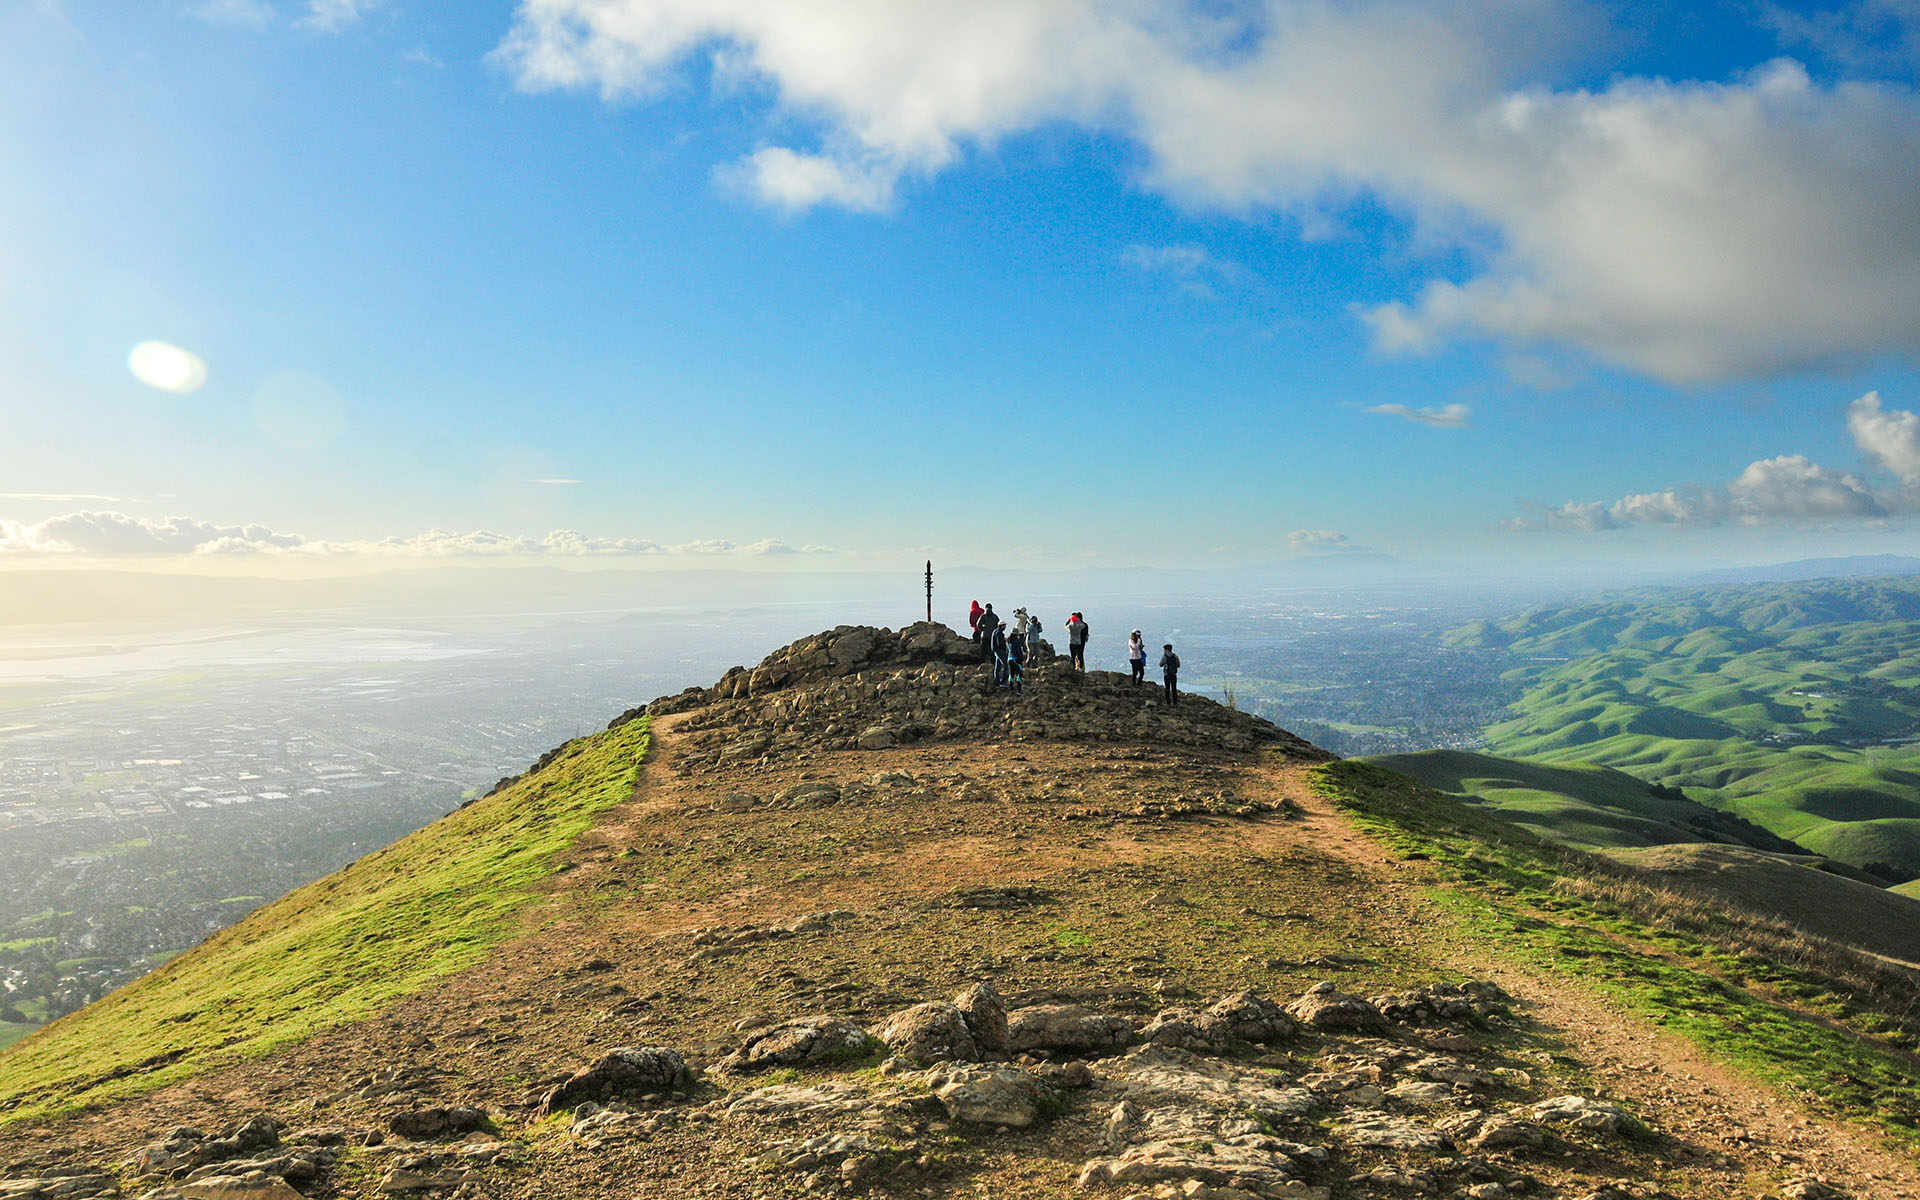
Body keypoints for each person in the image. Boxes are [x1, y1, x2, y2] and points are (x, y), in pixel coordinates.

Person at [991, 622, 1010, 688]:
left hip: (996, 650)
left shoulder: (995, 631)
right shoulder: (999, 633)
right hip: (1000, 651)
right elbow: (1000, 643)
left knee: (998, 667)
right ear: (1001, 626)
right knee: (1006, 665)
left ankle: (997, 682)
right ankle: (1003, 681)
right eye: (1004, 625)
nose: (1005, 627)